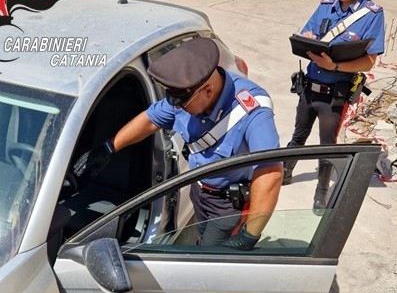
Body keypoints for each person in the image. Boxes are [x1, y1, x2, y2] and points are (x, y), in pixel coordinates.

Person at [73, 37, 283, 250]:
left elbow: (270, 172)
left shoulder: (252, 111)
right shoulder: (186, 94)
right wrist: (109, 148)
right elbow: (150, 119)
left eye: (182, 103)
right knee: (202, 239)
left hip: (228, 207)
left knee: (210, 262)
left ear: (208, 91)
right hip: (199, 192)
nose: (177, 107)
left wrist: (250, 234)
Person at [283, 0, 385, 212]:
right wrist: (308, 37)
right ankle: (285, 171)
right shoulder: (326, 5)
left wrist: (336, 64)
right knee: (298, 135)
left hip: (334, 95)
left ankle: (321, 192)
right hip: (309, 88)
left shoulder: (372, 15)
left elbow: (369, 61)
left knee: (327, 147)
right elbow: (308, 30)